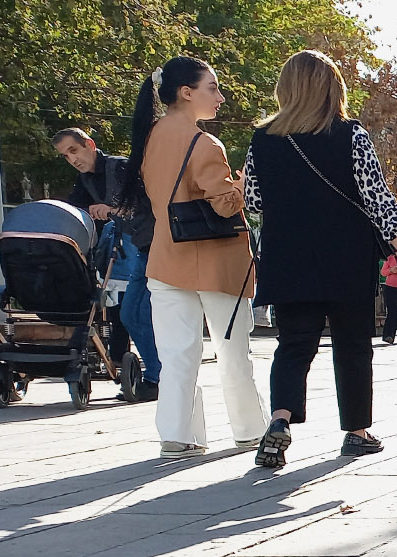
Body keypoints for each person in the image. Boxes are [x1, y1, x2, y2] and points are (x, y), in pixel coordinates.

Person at [242, 49, 397, 468]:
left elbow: (253, 200)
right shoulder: (352, 136)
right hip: (346, 258)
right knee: (352, 346)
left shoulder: (263, 140)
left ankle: (280, 419)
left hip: (288, 258)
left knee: (293, 345)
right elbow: (378, 200)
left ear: (286, 88)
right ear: (333, 88)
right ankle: (357, 433)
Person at [122, 56, 267, 458]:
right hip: (216, 261)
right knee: (232, 351)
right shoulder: (204, 143)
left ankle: (178, 434)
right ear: (186, 93)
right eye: (212, 88)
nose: (219, 97)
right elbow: (223, 204)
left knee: (176, 355)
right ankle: (249, 430)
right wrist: (240, 185)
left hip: (166, 258)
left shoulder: (149, 137)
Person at [54, 127, 160, 400]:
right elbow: (72, 211)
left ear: (89, 144)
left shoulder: (121, 167)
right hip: (141, 249)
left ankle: (158, 379)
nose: (72, 159)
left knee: (140, 313)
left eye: (74, 150)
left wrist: (111, 211)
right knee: (129, 314)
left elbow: (150, 204)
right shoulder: (85, 180)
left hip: (159, 246)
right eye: (65, 156)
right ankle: (155, 378)